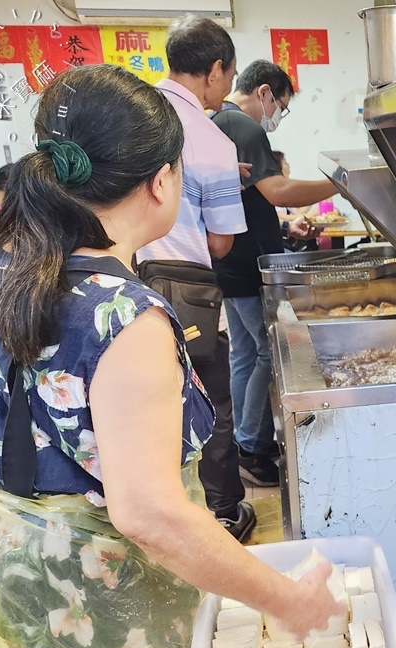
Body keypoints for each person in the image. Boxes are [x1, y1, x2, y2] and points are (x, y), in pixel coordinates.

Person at [0, 64, 342, 648]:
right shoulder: (122, 316)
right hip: (95, 597)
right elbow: (149, 515)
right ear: (162, 182)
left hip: (6, 570)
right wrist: (286, 600)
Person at [136, 16, 256, 540]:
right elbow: (219, 243)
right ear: (214, 71)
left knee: (145, 410)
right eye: (229, 75)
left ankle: (162, 515)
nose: (229, 86)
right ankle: (224, 514)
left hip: (119, 283)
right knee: (212, 403)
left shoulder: (129, 115)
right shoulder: (210, 140)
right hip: (186, 293)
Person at [211, 60, 338, 485]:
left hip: (232, 264)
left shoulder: (220, 122)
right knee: (266, 353)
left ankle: (243, 445)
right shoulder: (243, 126)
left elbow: (246, 202)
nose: (278, 115)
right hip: (248, 266)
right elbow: (277, 190)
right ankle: (253, 445)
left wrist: (284, 226)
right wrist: (341, 183)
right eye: (281, 104)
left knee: (245, 354)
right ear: (264, 93)